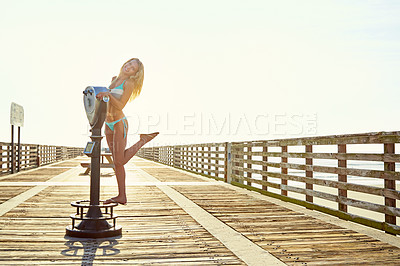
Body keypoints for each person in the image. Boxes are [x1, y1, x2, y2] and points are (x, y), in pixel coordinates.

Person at [96, 58, 158, 205]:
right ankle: (121, 196)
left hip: (119, 123)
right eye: (129, 63)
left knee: (119, 160)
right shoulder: (113, 79)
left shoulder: (129, 83)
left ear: (135, 74)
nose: (129, 67)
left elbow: (120, 106)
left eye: (133, 68)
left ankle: (143, 140)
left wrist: (108, 95)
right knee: (117, 164)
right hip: (108, 124)